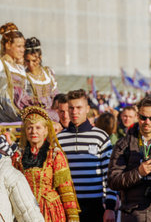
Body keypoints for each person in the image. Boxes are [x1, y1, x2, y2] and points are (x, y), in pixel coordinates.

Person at [56, 89, 117, 222]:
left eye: (79, 107)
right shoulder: (59, 139)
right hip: (67, 205)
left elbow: (110, 173)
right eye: (71, 108)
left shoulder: (100, 136)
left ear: (87, 109)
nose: (74, 111)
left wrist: (110, 207)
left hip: (95, 205)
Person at [12, 106, 80, 221]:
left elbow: (66, 190)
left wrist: (73, 217)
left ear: (46, 130)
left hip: (51, 212)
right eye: (29, 128)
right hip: (26, 211)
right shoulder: (18, 156)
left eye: (38, 128)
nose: (33, 132)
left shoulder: (55, 155)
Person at [24, 37, 60, 122]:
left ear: (40, 58)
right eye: (27, 61)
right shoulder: (24, 77)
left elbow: (56, 94)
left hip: (53, 115)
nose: (31, 64)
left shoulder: (48, 72)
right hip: (35, 117)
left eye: (34, 61)